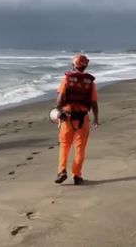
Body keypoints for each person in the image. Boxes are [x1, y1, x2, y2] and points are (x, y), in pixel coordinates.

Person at [55, 54, 99, 185]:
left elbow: (59, 100)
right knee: (80, 148)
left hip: (67, 118)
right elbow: (94, 103)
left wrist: (58, 112)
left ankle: (62, 171)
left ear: (73, 64)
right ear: (85, 66)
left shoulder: (66, 80)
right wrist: (96, 118)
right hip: (83, 119)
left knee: (64, 145)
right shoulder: (90, 83)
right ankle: (77, 175)